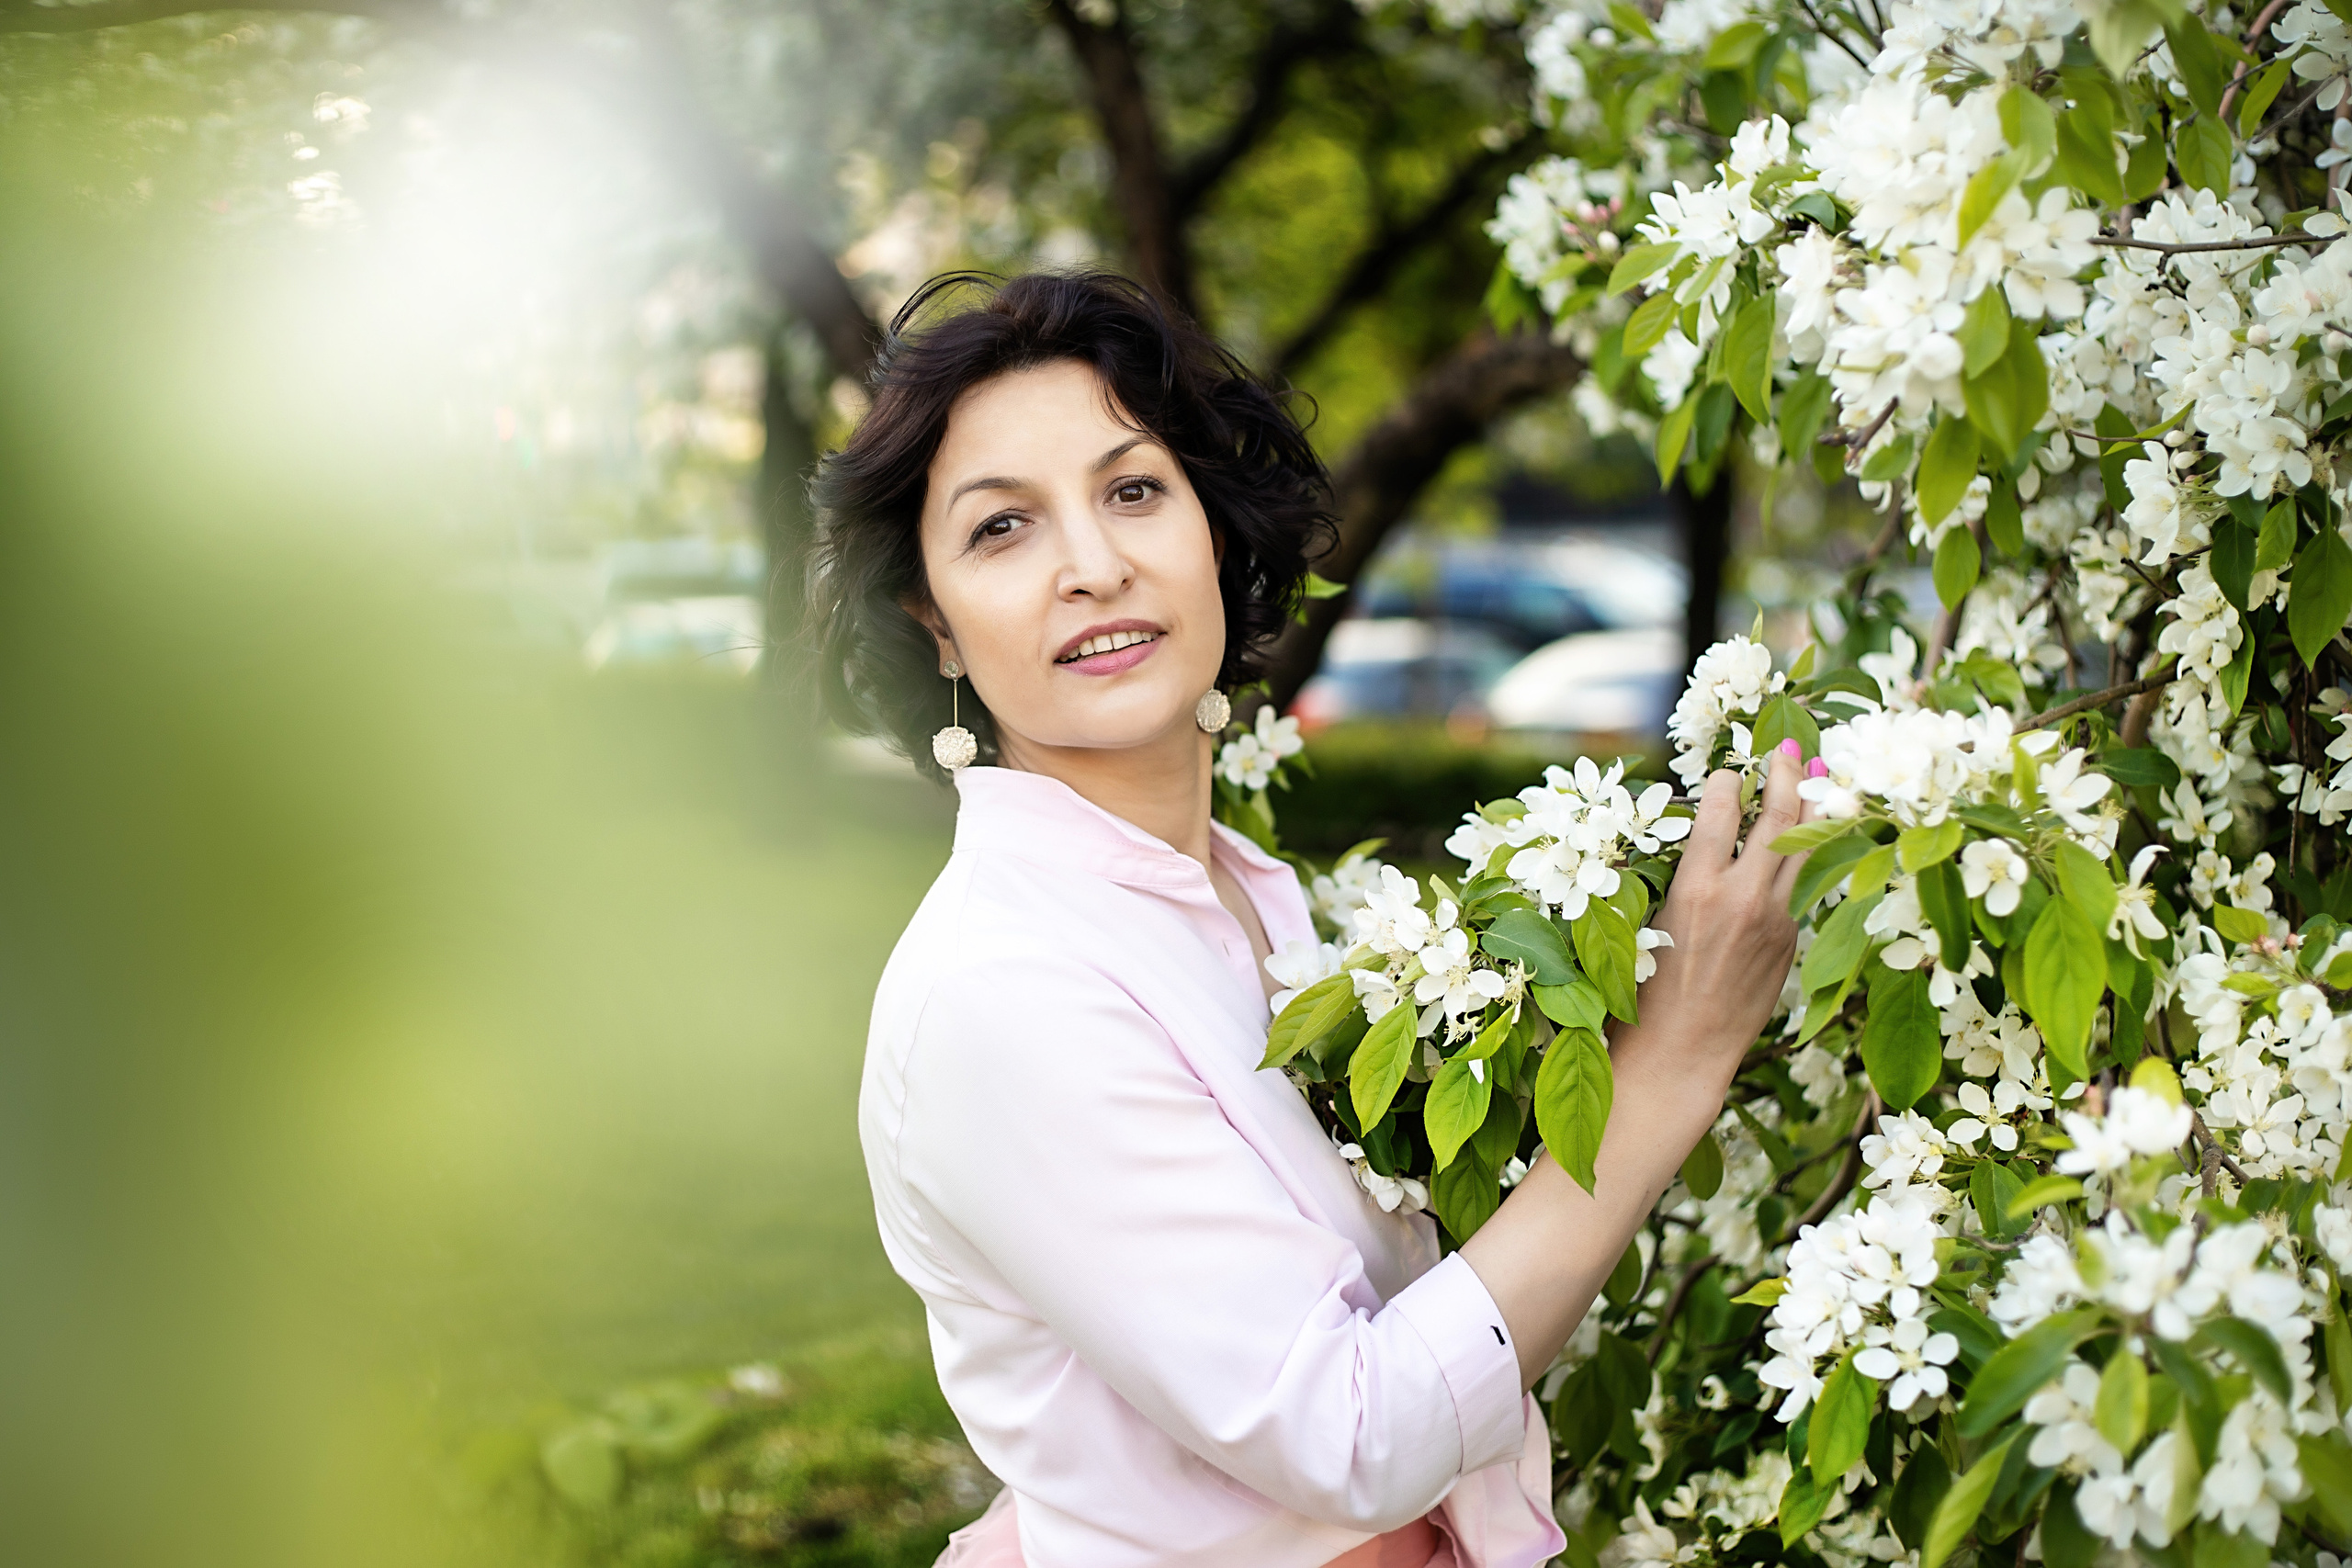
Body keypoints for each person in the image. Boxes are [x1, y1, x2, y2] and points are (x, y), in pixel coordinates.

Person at [808, 271, 1813, 1568]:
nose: (1094, 565)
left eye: (1132, 490)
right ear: (932, 622)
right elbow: (1348, 1435)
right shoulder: (1002, 990)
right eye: (1003, 529)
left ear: (1213, 533)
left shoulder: (1247, 896)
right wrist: (1675, 1054)